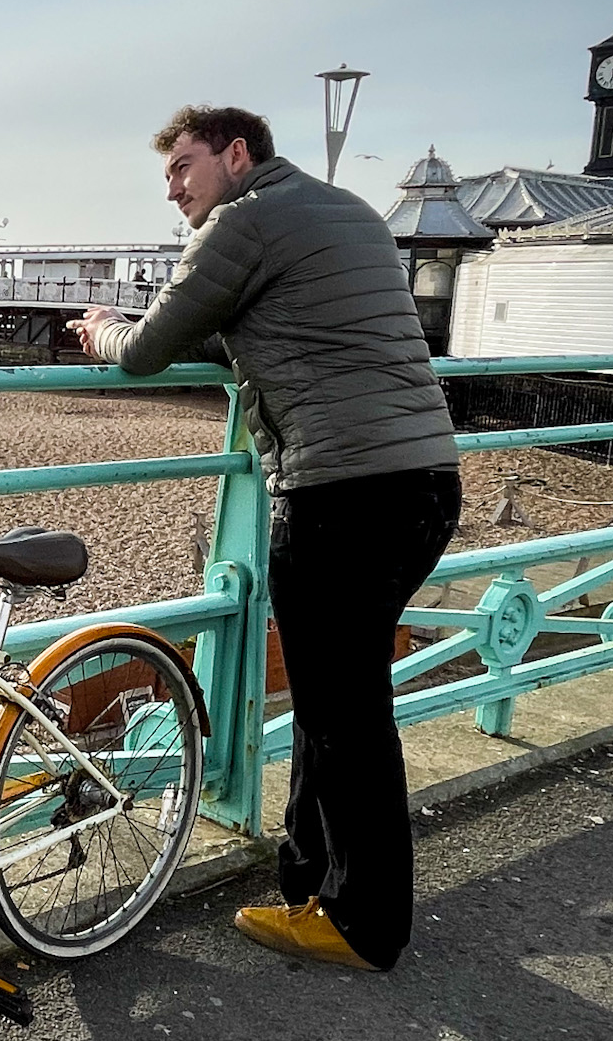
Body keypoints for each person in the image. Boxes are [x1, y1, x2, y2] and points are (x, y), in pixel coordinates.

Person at [70, 105, 460, 972]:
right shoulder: (347, 211)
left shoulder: (238, 223)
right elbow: (262, 323)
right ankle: (306, 879)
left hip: (343, 495)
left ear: (236, 154)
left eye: (183, 167)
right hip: (429, 481)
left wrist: (99, 329)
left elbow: (143, 352)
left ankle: (363, 923)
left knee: (345, 714)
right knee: (339, 699)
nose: (174, 189)